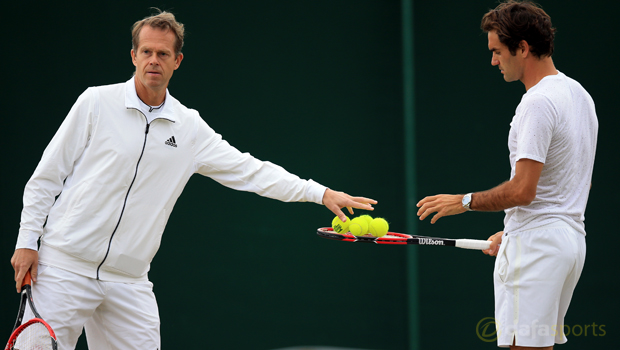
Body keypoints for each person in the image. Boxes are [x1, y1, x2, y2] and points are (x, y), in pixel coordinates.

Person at [10, 10, 376, 350]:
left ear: (177, 61)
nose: (154, 60)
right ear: (134, 56)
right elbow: (46, 177)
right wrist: (27, 241)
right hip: (63, 268)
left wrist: (320, 192)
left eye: (164, 54)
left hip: (129, 279)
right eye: (147, 52)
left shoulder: (190, 128)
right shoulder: (95, 103)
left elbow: (251, 170)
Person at [416, 1, 597, 349]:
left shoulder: (538, 102)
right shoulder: (580, 96)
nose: (493, 61)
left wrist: (464, 202)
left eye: (498, 51)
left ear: (523, 48)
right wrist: (514, 230)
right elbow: (566, 183)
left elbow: (524, 191)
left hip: (539, 247)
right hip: (569, 245)